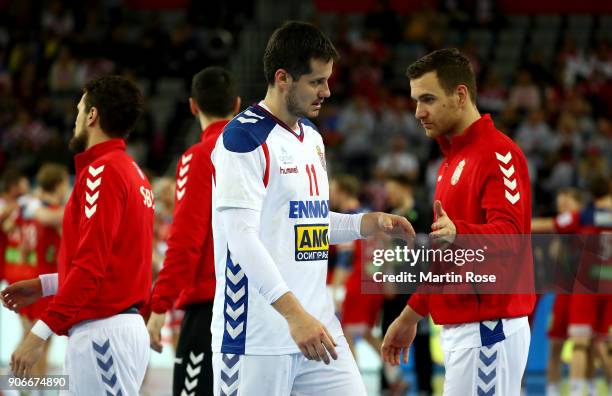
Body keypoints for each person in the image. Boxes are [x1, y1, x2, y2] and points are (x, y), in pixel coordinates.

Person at [210, 21, 415, 396]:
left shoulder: (313, 139)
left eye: (328, 80)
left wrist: (364, 224)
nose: (327, 91)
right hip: (258, 337)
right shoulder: (243, 138)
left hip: (318, 326)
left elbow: (308, 223)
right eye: (316, 81)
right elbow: (240, 239)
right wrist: (293, 315)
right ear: (283, 78)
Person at [381, 48, 535, 396]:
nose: (418, 112)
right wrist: (409, 316)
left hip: (487, 329)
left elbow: (512, 236)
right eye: (416, 100)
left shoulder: (499, 154)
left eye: (428, 99)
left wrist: (460, 232)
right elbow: (449, 260)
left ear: (460, 95)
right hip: (464, 330)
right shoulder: (450, 163)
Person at [1, 76, 154, 395]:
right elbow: (113, 268)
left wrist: (38, 335)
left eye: (78, 111)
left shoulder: (103, 172)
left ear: (92, 116)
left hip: (103, 333)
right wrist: (45, 286)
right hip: (115, 328)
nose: (74, 120)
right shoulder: (133, 172)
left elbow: (91, 267)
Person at [146, 66, 240, 396]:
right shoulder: (263, 152)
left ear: (193, 106)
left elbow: (186, 239)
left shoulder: (200, 156)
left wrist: (159, 308)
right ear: (237, 104)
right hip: (260, 308)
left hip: (211, 308)